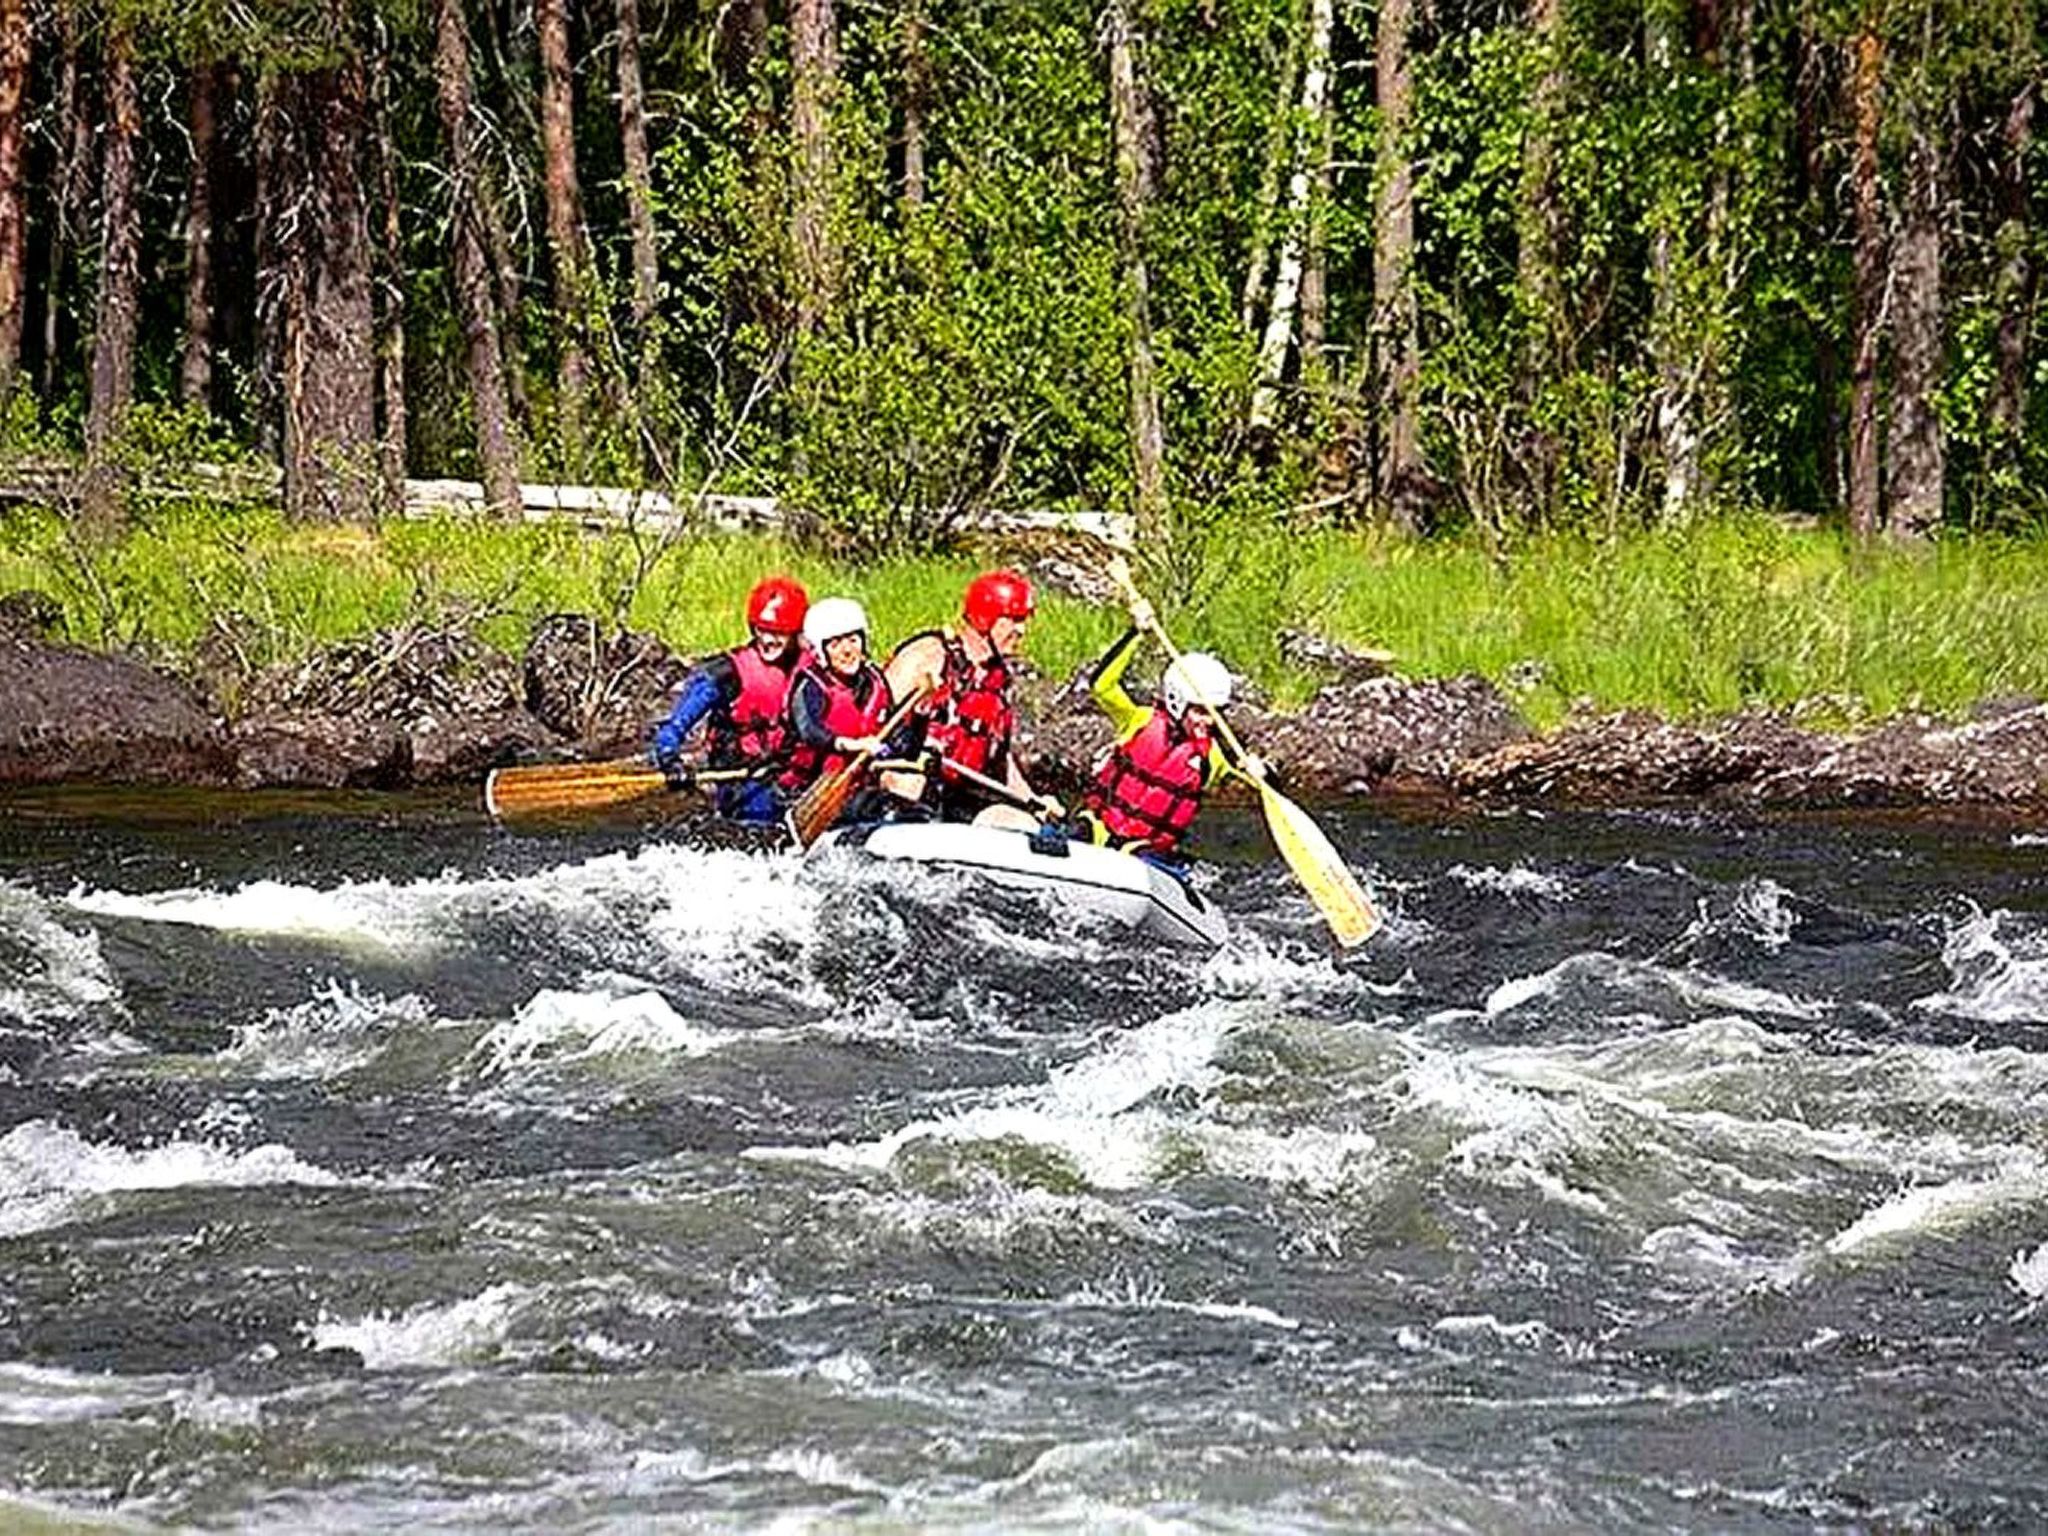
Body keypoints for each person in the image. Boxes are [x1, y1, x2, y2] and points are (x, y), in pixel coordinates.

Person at [1070, 594, 1261, 876]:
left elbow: (1264, 789)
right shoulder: (1139, 720)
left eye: (1215, 712)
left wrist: (1262, 773)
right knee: (1078, 830)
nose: (1208, 721)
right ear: (1177, 701)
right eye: (1200, 711)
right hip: (1098, 829)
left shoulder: (1214, 757)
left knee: (1147, 860)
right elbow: (1102, 685)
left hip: (1143, 852)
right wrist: (1137, 631)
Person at [882, 568, 1059, 828]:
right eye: (1014, 620)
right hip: (904, 781)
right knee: (910, 784)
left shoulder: (996, 679)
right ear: (986, 619)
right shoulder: (927, 655)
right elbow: (871, 717)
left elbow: (1000, 758)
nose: (1022, 630)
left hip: (958, 794)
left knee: (1024, 824)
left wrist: (1032, 799)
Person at [650, 574, 810, 823]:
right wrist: (671, 760)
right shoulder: (727, 673)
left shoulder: (814, 667)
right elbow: (671, 730)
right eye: (761, 629)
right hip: (743, 781)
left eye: (778, 633)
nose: (767, 640)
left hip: (793, 775)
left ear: (796, 632)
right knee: (765, 809)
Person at [777, 596, 904, 824]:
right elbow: (810, 731)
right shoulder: (811, 687)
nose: (848, 651)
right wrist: (851, 744)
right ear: (820, 652)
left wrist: (921, 723)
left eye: (853, 640)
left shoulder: (875, 681)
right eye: (836, 644)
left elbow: (897, 745)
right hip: (806, 791)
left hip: (855, 791)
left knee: (910, 811)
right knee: (886, 812)